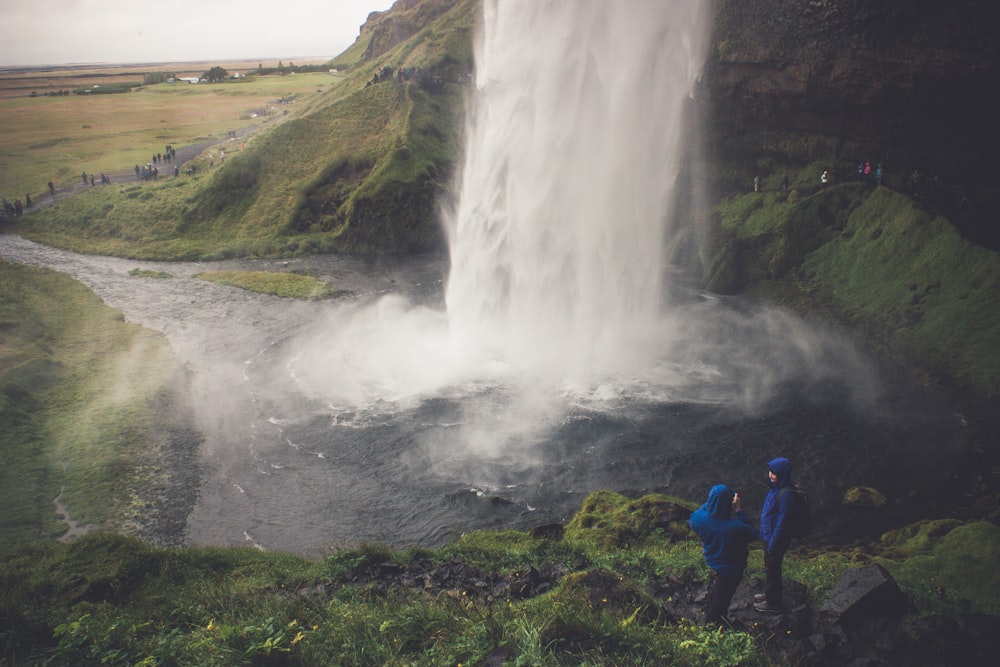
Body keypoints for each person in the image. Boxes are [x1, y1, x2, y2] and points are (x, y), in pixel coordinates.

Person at [690, 484, 757, 627]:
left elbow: (703, 511)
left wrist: (712, 502)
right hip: (731, 567)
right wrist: (739, 510)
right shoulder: (734, 527)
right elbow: (752, 533)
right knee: (724, 595)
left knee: (720, 586)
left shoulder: (698, 519)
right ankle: (713, 622)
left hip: (713, 558)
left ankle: (709, 607)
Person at [756, 457, 795, 614]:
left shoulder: (787, 495)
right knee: (769, 567)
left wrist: (772, 544)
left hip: (776, 540)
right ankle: (769, 594)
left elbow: (782, 524)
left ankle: (773, 604)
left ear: (783, 474)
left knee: (773, 569)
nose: (770, 475)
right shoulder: (776, 487)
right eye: (770, 471)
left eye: (774, 473)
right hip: (769, 537)